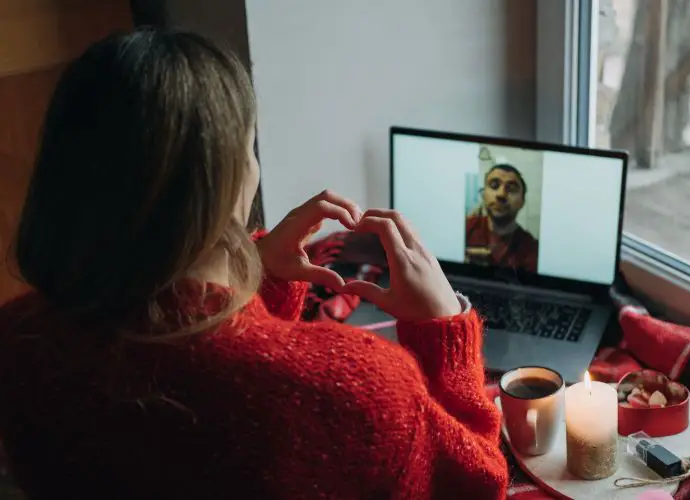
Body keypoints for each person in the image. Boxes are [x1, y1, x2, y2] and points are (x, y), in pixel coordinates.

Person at [0, 29, 507, 499]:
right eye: (249, 147)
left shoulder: (18, 341)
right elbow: (477, 485)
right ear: (229, 178)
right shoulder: (360, 389)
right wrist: (445, 326)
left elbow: (219, 381)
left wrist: (255, 277)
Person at [465, 163, 539, 272]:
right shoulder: (464, 228)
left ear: (522, 201)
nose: (501, 194)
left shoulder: (532, 250)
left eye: (511, 189)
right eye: (494, 185)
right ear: (483, 195)